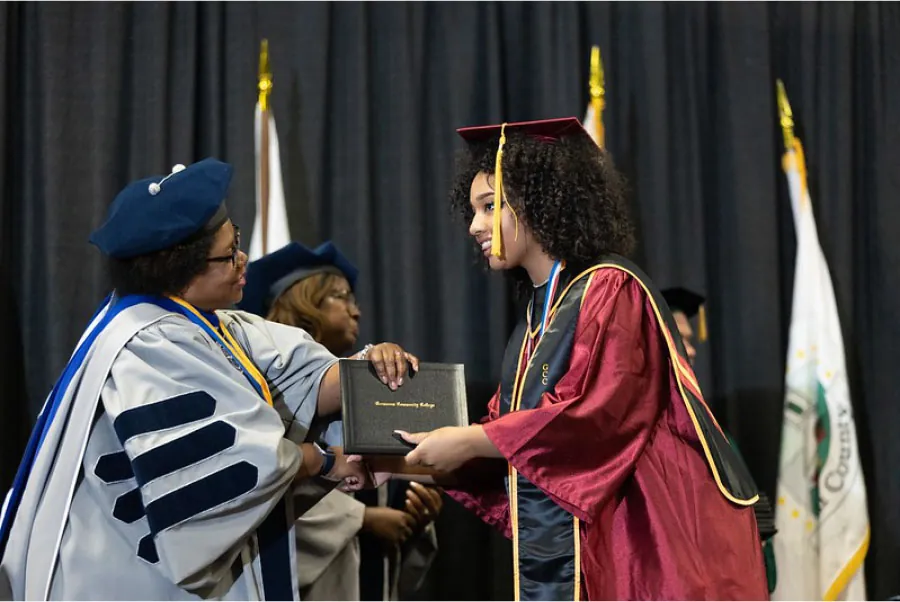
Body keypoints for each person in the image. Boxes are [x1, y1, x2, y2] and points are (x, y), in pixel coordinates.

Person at [380, 118, 770, 600]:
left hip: (648, 534)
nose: (474, 225)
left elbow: (592, 417)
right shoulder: (538, 316)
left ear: (542, 201)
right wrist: (395, 460)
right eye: (472, 209)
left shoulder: (610, 287)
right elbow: (507, 437)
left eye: (490, 206)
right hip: (601, 534)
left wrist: (470, 440)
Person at [0, 159, 417, 601]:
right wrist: (325, 460)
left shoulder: (208, 324)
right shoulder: (147, 345)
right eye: (228, 254)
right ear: (178, 271)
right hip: (127, 574)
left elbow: (306, 378)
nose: (244, 260)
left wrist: (370, 367)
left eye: (236, 239)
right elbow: (237, 462)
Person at [239, 242, 442, 601]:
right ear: (303, 304)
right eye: (341, 298)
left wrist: (413, 518)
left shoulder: (368, 392)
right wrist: (362, 519)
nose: (357, 311)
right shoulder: (263, 397)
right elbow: (262, 491)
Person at [662, 286, 778, 594]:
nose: (694, 349)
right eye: (682, 339)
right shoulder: (642, 438)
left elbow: (761, 546)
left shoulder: (714, 434)